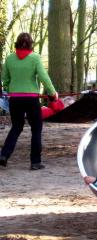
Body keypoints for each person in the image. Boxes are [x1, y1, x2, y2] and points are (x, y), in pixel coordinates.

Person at [0, 32, 58, 170]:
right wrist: (52, 93)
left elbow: (5, 79)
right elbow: (44, 77)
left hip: (15, 99)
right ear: (31, 44)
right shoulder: (35, 57)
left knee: (16, 127)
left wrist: (9, 88)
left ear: (17, 44)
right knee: (36, 128)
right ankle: (35, 162)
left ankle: (4, 156)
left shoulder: (9, 59)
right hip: (31, 99)